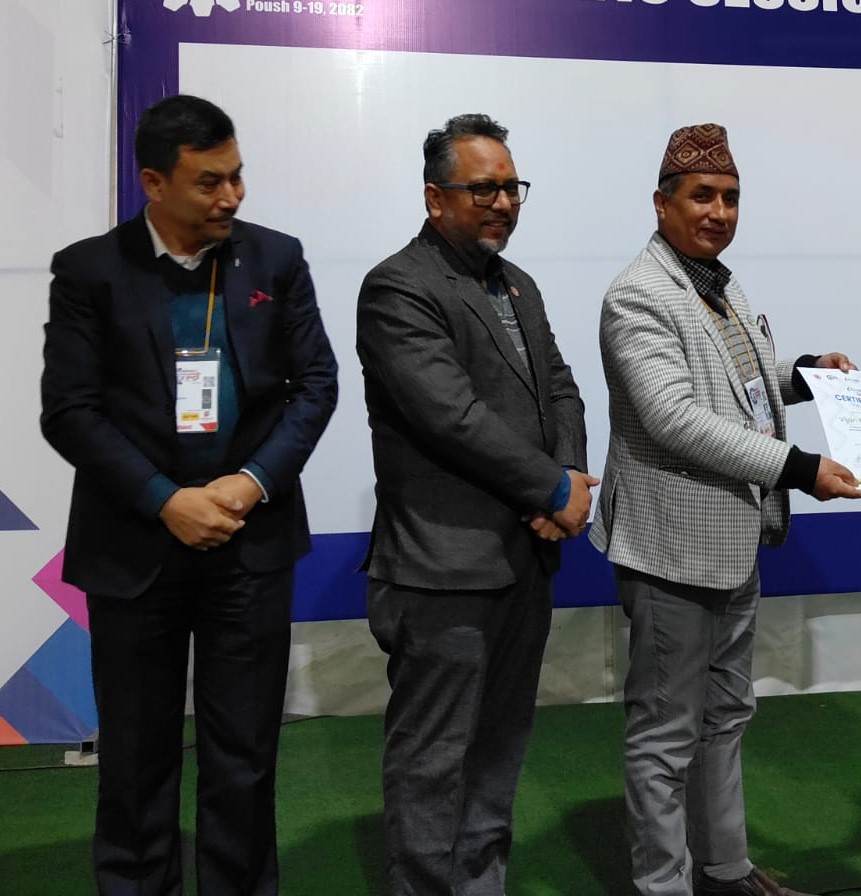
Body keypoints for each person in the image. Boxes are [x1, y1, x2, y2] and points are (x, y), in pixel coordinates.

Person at [40, 94, 338, 895]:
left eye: (237, 176)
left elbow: (316, 384)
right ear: (154, 183)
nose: (231, 196)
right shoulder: (90, 271)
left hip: (250, 541)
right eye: (210, 182)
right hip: (134, 544)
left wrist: (249, 483)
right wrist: (165, 499)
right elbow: (69, 410)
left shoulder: (275, 259)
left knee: (244, 755)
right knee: (135, 757)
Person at [588, 123, 861, 896]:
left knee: (726, 714)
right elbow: (674, 418)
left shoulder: (717, 282)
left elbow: (738, 381)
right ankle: (664, 885)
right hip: (671, 550)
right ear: (662, 204)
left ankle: (726, 870)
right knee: (665, 733)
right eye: (702, 196)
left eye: (731, 198)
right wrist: (800, 467)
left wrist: (810, 376)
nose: (719, 212)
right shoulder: (638, 295)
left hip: (733, 541)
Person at [355, 113, 595, 896]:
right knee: (432, 762)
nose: (502, 202)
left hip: (525, 560)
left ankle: (482, 884)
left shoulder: (518, 283)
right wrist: (551, 490)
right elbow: (450, 417)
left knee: (499, 749)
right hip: (441, 570)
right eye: (483, 188)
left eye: (511, 187)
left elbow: (561, 388)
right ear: (435, 197)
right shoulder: (398, 286)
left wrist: (570, 474)